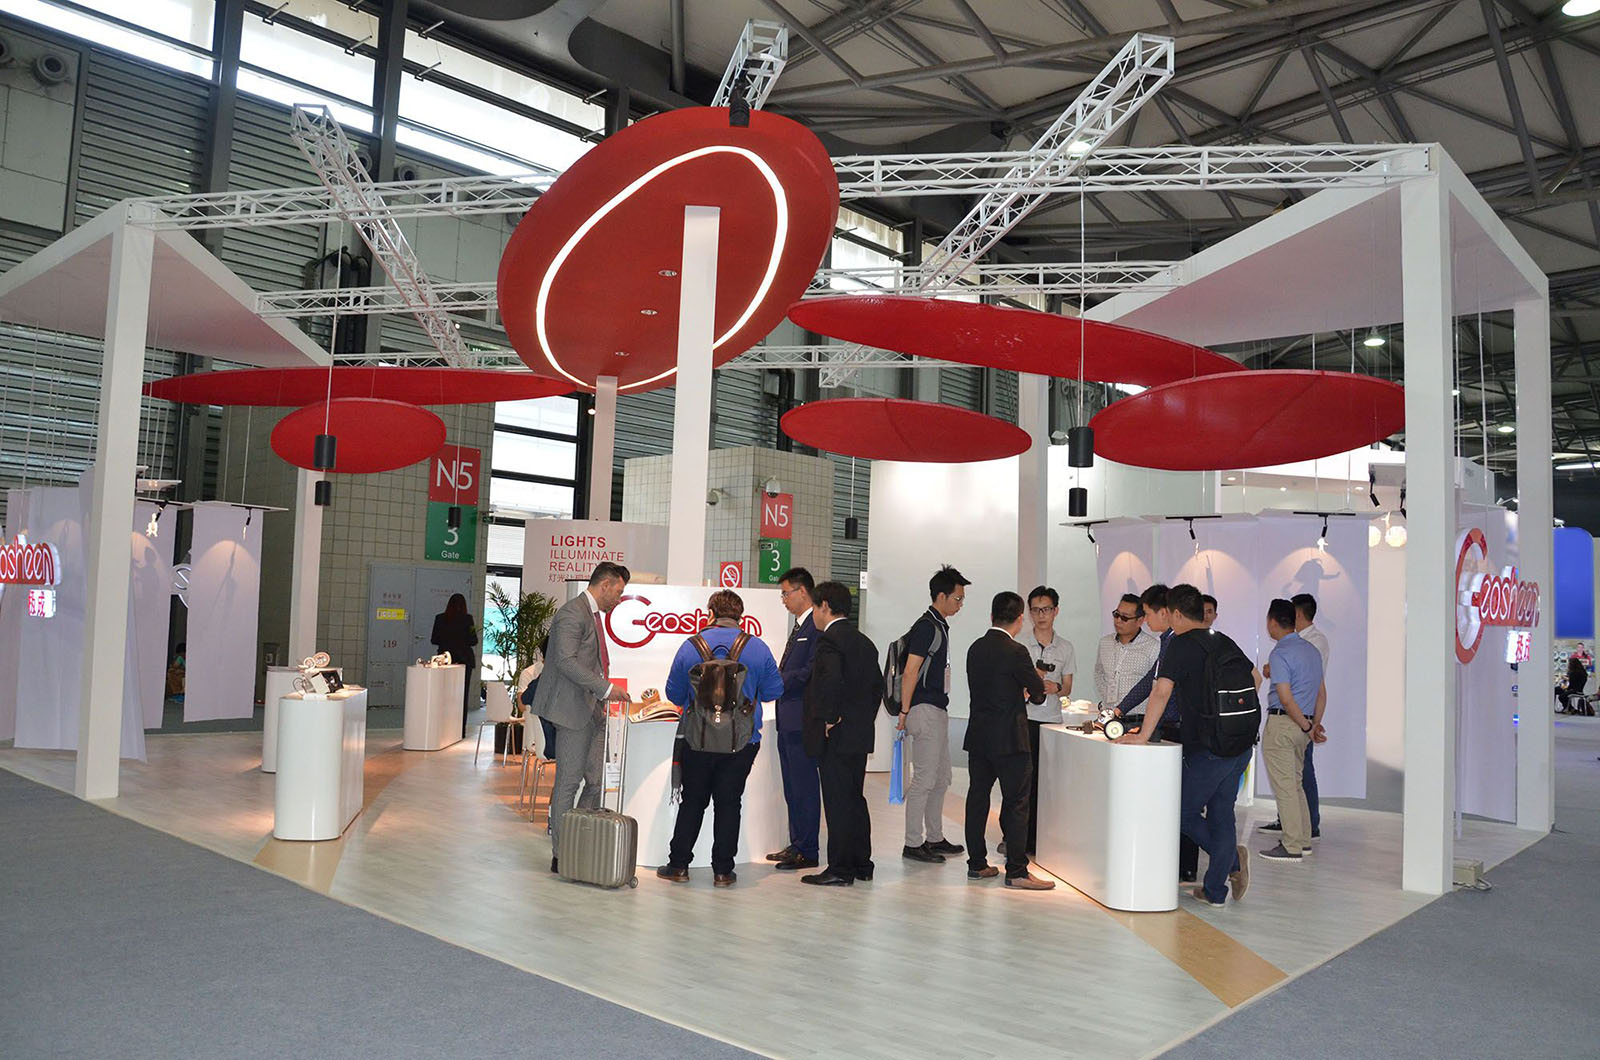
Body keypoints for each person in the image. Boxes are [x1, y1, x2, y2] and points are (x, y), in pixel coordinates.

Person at [1117, 584, 1253, 908]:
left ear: (1176, 614)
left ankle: (1231, 861)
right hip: (1241, 743)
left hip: (1208, 747)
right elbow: (1254, 679)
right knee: (1221, 813)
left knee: (1179, 812)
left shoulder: (1180, 644)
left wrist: (1142, 734)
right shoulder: (1222, 639)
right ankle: (1215, 891)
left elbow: (1161, 692)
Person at [655, 590, 783, 888]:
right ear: (740, 616)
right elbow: (774, 691)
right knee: (729, 804)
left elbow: (673, 694)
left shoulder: (690, 646)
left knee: (693, 802)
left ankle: (679, 865)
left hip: (697, 740)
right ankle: (723, 871)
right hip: (742, 742)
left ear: (710, 614)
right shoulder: (757, 648)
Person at [529, 563, 632, 874]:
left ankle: (581, 840)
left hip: (591, 709)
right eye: (618, 591)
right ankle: (562, 854)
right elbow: (565, 661)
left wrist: (601, 694)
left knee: (597, 780)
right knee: (569, 782)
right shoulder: (572, 613)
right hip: (570, 710)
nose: (619, 598)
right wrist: (606, 688)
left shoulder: (592, 614)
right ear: (605, 585)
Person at [964, 591, 1054, 890]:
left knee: (977, 798)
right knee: (1016, 803)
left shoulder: (975, 648)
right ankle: (1016, 871)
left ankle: (976, 864)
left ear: (992, 616)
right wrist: (1028, 689)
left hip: (979, 736)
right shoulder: (1016, 651)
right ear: (1020, 619)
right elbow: (1038, 691)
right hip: (1011, 739)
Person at [800, 581, 881, 887]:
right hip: (859, 734)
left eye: (815, 607)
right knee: (854, 798)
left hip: (836, 735)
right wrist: (861, 719)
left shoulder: (829, 641)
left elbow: (829, 681)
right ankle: (862, 863)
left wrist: (830, 718)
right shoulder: (865, 642)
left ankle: (840, 869)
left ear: (824, 606)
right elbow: (876, 688)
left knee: (837, 802)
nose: (814, 615)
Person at [898, 565, 970, 865]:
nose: (960, 604)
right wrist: (904, 711)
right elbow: (910, 671)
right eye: (957, 598)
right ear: (941, 596)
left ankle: (934, 837)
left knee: (941, 778)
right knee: (924, 779)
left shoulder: (939, 625)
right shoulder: (927, 626)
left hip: (937, 708)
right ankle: (913, 843)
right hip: (923, 709)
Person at [1257, 598, 1325, 862]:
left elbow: (1285, 697)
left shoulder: (1280, 653)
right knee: (1296, 785)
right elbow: (1321, 694)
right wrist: (1312, 725)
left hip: (1284, 724)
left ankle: (1292, 845)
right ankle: (1303, 840)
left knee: (1286, 788)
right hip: (1303, 726)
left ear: (1272, 622)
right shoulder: (1311, 651)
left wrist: (1307, 725)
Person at [767, 567, 822, 871]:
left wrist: (777, 680)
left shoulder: (816, 626)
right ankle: (797, 843)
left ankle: (808, 849)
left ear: (803, 591)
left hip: (802, 720)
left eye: (786, 593)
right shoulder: (800, 626)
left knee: (804, 787)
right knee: (792, 787)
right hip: (786, 718)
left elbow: (809, 672)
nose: (784, 599)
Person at [1020, 585, 1075, 857]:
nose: (1041, 615)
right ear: (1029, 613)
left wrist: (1056, 688)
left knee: (1046, 782)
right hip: (1024, 718)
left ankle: (1040, 838)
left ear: (1056, 611)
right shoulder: (1020, 645)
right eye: (1036, 610)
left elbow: (1068, 687)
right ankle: (1017, 837)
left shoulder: (1065, 647)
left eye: (1046, 609)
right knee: (1022, 781)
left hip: (1051, 721)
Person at [1094, 595, 1160, 722]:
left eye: (1124, 618)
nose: (1118, 620)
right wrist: (1107, 696)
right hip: (1108, 716)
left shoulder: (1153, 647)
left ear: (1140, 620)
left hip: (1136, 718)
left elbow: (1155, 685)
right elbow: (1099, 673)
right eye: (1116, 615)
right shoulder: (1105, 643)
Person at [431, 593, 478, 738]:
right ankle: (459, 730)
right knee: (462, 696)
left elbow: (434, 639)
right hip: (464, 660)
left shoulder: (440, 618)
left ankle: (442, 729)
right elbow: (473, 640)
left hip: (445, 660)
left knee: (443, 695)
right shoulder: (468, 619)